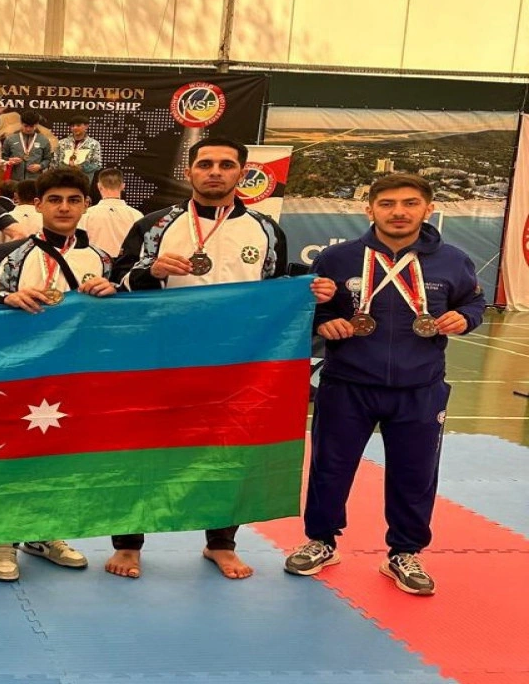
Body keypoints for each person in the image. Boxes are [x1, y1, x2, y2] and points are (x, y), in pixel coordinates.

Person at [107, 137, 335, 581]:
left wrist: (308, 294)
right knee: (144, 452)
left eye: (226, 165)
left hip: (236, 364)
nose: (215, 171)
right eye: (206, 164)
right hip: (162, 359)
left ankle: (220, 543)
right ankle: (129, 544)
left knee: (229, 453)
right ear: (189, 172)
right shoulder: (155, 225)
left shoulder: (267, 230)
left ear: (241, 174)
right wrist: (152, 272)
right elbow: (117, 283)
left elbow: (273, 295)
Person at [284, 173, 485, 596]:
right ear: (369, 209)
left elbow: (473, 301)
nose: (398, 212)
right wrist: (325, 323)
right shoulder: (336, 259)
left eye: (410, 203)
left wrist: (465, 318)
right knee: (329, 468)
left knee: (415, 474)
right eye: (388, 203)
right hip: (347, 383)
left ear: (428, 209)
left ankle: (404, 552)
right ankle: (321, 541)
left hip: (420, 387)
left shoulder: (453, 260)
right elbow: (312, 308)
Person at [0, 167, 117, 581]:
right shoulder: (12, 255)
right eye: (54, 200)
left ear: (86, 204)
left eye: (73, 200)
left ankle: (42, 533)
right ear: (37, 205)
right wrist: (6, 299)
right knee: (10, 455)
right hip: (20, 373)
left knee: (58, 457)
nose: (64, 208)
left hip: (74, 375)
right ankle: (0, 540)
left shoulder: (100, 259)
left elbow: (115, 321)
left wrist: (112, 295)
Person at [79, 170, 143, 255]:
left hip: (93, 261)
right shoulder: (136, 215)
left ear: (99, 186)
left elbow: (78, 247)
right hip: (126, 262)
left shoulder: (86, 215)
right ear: (123, 186)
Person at [1, 111, 52, 181]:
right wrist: (10, 160)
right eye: (25, 126)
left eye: (31, 126)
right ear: (21, 123)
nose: (28, 129)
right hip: (14, 180)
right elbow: (2, 157)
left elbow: (48, 159)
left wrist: (40, 166)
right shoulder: (10, 139)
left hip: (35, 180)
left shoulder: (44, 140)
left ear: (36, 124)